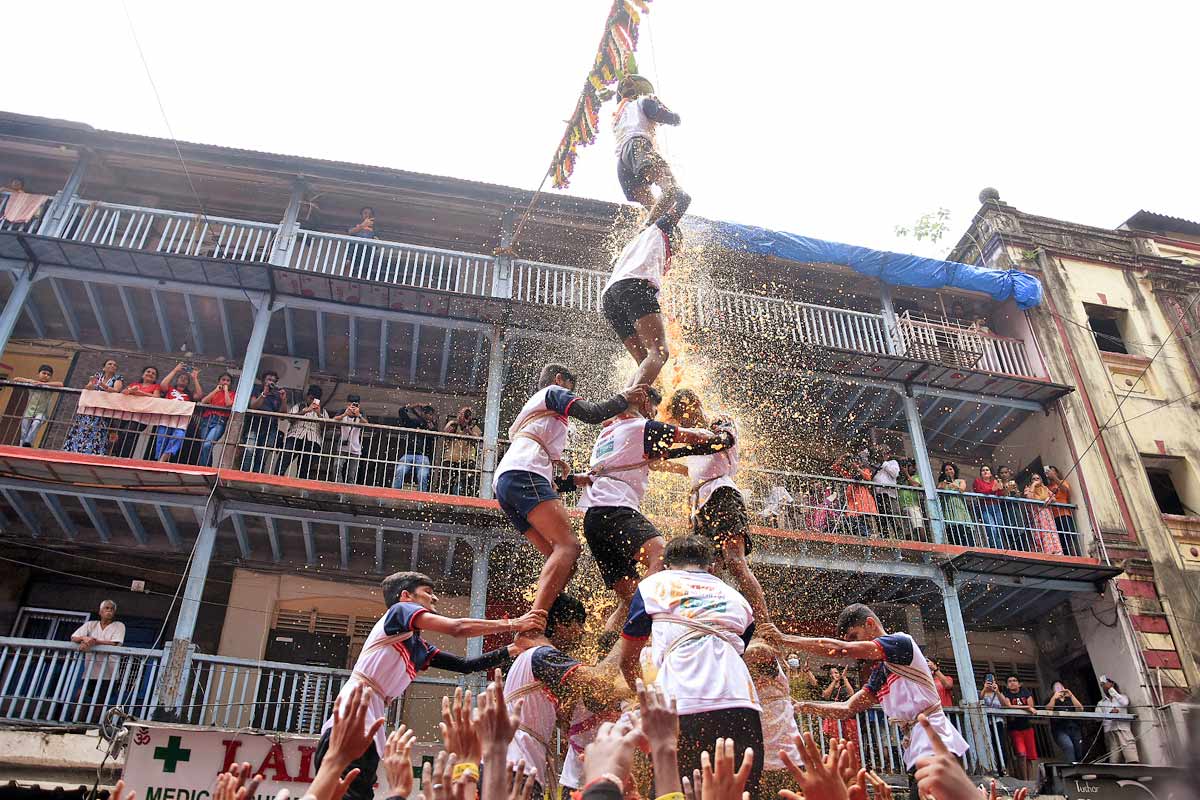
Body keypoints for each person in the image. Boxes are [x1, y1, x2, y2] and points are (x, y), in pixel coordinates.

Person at [313, 571, 545, 800]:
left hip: (369, 725)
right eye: (427, 593)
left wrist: (512, 649)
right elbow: (457, 628)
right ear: (406, 596)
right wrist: (515, 623)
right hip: (351, 720)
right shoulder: (398, 611)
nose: (434, 598)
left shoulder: (416, 645)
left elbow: (465, 665)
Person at [493, 364, 645, 630]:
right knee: (569, 547)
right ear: (559, 379)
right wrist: (624, 399)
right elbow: (592, 413)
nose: (571, 397)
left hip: (509, 480)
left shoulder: (536, 417)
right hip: (523, 473)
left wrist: (574, 479)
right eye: (571, 390)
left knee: (562, 558)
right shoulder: (553, 391)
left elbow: (546, 471)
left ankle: (544, 621)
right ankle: (534, 622)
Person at [616, 535, 763, 800]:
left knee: (672, 791)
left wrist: (644, 699)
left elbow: (627, 660)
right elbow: (738, 649)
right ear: (712, 567)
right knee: (740, 794)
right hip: (742, 707)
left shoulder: (652, 586)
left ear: (666, 566)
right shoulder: (739, 599)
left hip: (682, 708)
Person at [578, 385, 729, 631]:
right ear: (645, 402)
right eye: (655, 409)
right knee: (661, 555)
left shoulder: (608, 432)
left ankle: (608, 653)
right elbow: (698, 438)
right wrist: (721, 434)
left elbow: (654, 462)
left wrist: (683, 469)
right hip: (616, 509)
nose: (655, 414)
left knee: (628, 600)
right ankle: (642, 631)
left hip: (593, 520)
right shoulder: (644, 427)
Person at [784, 603, 969, 794]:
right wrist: (804, 706)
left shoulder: (901, 642)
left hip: (935, 741)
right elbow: (847, 708)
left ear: (870, 624)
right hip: (916, 746)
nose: (853, 644)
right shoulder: (880, 672)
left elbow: (841, 649)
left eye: (854, 637)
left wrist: (785, 639)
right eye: (850, 640)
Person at [660, 389, 774, 630]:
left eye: (685, 412)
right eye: (679, 417)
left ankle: (766, 626)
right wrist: (662, 464)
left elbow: (721, 442)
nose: (684, 420)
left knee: (735, 561)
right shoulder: (694, 440)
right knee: (707, 568)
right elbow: (694, 470)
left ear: (697, 403)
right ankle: (712, 623)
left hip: (723, 495)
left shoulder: (718, 421)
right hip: (700, 507)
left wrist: (673, 451)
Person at [503, 595, 628, 798]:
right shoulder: (544, 656)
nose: (581, 632)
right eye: (578, 624)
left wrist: (626, 605)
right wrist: (629, 638)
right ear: (561, 624)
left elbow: (607, 641)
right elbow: (599, 682)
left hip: (517, 764)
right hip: (518, 767)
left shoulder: (533, 657)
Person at [601, 200, 689, 391]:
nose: (674, 254)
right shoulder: (660, 229)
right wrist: (666, 178)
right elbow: (684, 199)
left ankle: (621, 410)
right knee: (660, 352)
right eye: (676, 249)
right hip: (634, 287)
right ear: (673, 237)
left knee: (644, 361)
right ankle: (630, 407)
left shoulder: (636, 244)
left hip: (610, 297)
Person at [611, 73, 688, 222]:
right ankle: (651, 227)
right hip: (639, 147)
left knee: (655, 208)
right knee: (673, 190)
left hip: (623, 163)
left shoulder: (618, 115)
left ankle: (648, 229)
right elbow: (669, 118)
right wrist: (668, 111)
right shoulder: (643, 101)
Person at [744, 640, 804, 799]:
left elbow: (760, 650)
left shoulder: (778, 679)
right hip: (761, 766)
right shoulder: (745, 687)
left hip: (793, 761)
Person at [70, 600, 126, 722]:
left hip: (109, 673)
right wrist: (85, 638)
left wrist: (93, 641)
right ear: (100, 611)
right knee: (80, 697)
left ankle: (92, 725)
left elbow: (115, 643)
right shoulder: (91, 625)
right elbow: (74, 637)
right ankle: (76, 723)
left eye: (112, 609)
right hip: (90, 672)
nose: (109, 611)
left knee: (100, 702)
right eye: (106, 608)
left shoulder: (119, 625)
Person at [63, 359, 125, 455]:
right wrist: (91, 383)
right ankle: (74, 450)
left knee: (98, 430)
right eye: (110, 364)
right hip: (90, 408)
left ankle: (93, 451)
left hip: (104, 410)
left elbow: (116, 390)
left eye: (115, 365)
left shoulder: (118, 378)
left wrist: (103, 385)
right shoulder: (98, 376)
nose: (112, 366)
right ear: (104, 367)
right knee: (83, 428)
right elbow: (88, 387)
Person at [152, 364, 202, 463]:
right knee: (162, 438)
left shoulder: (189, 394)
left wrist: (195, 378)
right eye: (181, 378)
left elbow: (199, 395)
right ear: (177, 380)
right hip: (167, 418)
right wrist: (175, 370)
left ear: (188, 383)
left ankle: (163, 459)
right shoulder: (170, 389)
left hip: (181, 421)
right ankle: (159, 459)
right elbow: (163, 385)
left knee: (178, 436)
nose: (183, 379)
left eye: (186, 379)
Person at [277, 385, 329, 480]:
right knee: (283, 462)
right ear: (307, 396)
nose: (312, 401)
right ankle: (275, 481)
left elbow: (325, 427)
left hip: (313, 440)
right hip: (295, 436)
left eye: (315, 399)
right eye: (311, 398)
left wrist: (318, 414)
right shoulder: (299, 406)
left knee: (305, 469)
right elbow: (290, 419)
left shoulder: (323, 411)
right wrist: (304, 412)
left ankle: (299, 489)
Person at [243, 370, 287, 472]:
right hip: (253, 426)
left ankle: (256, 478)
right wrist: (264, 393)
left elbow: (283, 415)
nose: (271, 382)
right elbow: (253, 406)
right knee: (249, 452)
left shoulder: (277, 395)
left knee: (262, 456)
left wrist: (284, 400)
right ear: (263, 381)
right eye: (269, 379)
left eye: (273, 381)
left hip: (270, 430)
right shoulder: (256, 390)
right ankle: (244, 475)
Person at [13, 364, 63, 447]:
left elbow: (60, 384)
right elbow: (16, 379)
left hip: (42, 413)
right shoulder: (33, 384)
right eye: (44, 373)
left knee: (36, 422)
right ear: (38, 374)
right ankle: (22, 448)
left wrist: (42, 384)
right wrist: (31, 381)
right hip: (29, 412)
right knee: (24, 431)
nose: (46, 376)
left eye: (48, 375)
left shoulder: (50, 387)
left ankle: (28, 443)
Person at [392, 403, 438, 492]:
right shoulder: (414, 423)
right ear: (424, 414)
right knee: (400, 471)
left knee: (423, 476)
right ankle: (395, 493)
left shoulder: (431, 426)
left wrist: (430, 425)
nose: (431, 416)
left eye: (432, 414)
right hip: (409, 453)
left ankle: (421, 496)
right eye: (429, 414)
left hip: (423, 456)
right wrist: (411, 406)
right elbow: (401, 412)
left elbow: (434, 434)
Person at [999, 674, 1038, 780]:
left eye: (1015, 680)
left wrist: (1029, 708)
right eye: (1009, 681)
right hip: (1014, 728)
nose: (1012, 682)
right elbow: (1009, 706)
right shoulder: (1005, 693)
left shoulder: (1025, 692)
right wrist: (1027, 707)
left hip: (1027, 727)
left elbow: (1032, 706)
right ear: (1007, 685)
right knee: (1021, 754)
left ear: (1019, 683)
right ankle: (1024, 781)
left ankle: (1030, 782)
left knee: (1029, 757)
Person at [831, 452, 878, 538]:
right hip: (852, 500)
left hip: (863, 499)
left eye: (857, 461)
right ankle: (863, 534)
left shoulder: (864, 470)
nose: (854, 463)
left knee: (865, 517)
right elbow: (834, 467)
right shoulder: (849, 474)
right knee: (853, 518)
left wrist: (858, 469)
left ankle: (870, 534)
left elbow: (867, 477)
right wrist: (843, 456)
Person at [819, 665, 860, 764]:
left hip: (847, 719)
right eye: (831, 673)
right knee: (835, 741)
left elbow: (851, 694)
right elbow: (825, 695)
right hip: (833, 719)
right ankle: (837, 763)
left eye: (836, 673)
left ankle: (853, 764)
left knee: (851, 742)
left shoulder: (845, 684)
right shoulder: (827, 685)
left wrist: (844, 678)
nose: (834, 675)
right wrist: (834, 681)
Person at [1097, 675, 1138, 763]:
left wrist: (1112, 690)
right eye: (1102, 685)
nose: (1104, 687)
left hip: (1123, 729)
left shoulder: (1122, 697)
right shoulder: (1101, 703)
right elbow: (1097, 718)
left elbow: (1125, 703)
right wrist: (1110, 714)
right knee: (1114, 760)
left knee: (1131, 756)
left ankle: (1135, 772)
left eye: (1105, 684)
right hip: (1110, 732)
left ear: (1112, 684)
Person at [196, 372, 234, 467]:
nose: (225, 382)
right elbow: (204, 401)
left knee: (207, 445)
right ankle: (205, 467)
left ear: (230, 383)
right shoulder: (215, 392)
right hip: (207, 420)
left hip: (219, 421)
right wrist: (216, 390)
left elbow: (229, 403)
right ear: (219, 381)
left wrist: (225, 391)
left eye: (228, 380)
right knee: (204, 446)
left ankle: (204, 468)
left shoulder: (232, 394)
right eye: (223, 380)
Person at [442, 406, 482, 496]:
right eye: (461, 414)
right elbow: (444, 434)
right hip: (451, 458)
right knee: (446, 482)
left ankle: (468, 499)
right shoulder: (452, 423)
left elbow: (478, 439)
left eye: (465, 415)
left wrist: (468, 431)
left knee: (468, 483)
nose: (462, 417)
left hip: (467, 459)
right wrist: (452, 429)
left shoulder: (474, 427)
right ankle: (445, 497)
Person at [332, 395, 368, 485]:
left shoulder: (361, 413)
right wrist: (345, 414)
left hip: (355, 448)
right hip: (343, 446)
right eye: (351, 404)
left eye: (355, 404)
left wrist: (358, 415)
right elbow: (334, 419)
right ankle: (338, 485)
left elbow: (366, 423)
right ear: (347, 404)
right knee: (337, 466)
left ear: (359, 405)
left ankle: (349, 488)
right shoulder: (343, 411)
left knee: (352, 472)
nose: (353, 407)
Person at [1024, 473, 1063, 555]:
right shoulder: (1028, 489)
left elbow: (1054, 498)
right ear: (1031, 481)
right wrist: (1033, 486)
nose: (1036, 480)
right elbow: (1029, 497)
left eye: (1037, 478)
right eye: (1033, 479)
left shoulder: (1045, 488)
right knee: (1040, 532)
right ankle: (1046, 551)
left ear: (1041, 480)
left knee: (1051, 531)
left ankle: (1056, 550)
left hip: (1046, 514)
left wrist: (1049, 499)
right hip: (1036, 514)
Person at [1046, 680, 1085, 762]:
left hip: (1074, 728)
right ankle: (1071, 771)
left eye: (1060, 686)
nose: (1059, 688)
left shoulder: (1070, 699)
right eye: (1056, 687)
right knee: (1068, 746)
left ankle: (1080, 771)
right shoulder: (1050, 700)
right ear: (1053, 690)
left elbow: (1080, 709)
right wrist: (1054, 697)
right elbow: (1048, 710)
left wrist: (1071, 695)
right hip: (1059, 729)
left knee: (1079, 750)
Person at [1045, 466, 1080, 556]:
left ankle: (1075, 556)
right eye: (1049, 472)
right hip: (1052, 517)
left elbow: (1066, 491)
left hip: (1064, 514)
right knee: (1060, 540)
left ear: (1057, 473)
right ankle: (1066, 556)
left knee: (1069, 536)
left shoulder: (1062, 482)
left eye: (1053, 472)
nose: (1051, 474)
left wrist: (1055, 479)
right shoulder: (1047, 487)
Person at [938, 462, 973, 546]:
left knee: (965, 536)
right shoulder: (942, 483)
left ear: (954, 470)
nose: (949, 471)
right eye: (946, 470)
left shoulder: (960, 481)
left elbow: (962, 489)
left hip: (959, 509)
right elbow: (939, 490)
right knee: (954, 537)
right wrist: (944, 482)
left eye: (950, 469)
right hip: (949, 510)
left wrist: (954, 485)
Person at [972, 465, 1007, 549]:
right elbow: (979, 492)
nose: (985, 471)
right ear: (981, 473)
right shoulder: (978, 481)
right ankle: (994, 548)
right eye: (983, 470)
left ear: (990, 473)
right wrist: (992, 490)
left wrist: (1002, 488)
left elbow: (999, 494)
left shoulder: (994, 482)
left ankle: (1001, 548)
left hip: (996, 507)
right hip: (985, 507)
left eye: (987, 470)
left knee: (999, 529)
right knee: (992, 529)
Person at [872, 445, 901, 537]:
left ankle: (899, 536)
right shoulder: (876, 466)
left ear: (888, 454)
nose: (881, 456)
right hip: (878, 495)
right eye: (879, 454)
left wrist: (884, 463)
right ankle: (885, 535)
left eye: (883, 453)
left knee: (892, 516)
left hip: (889, 495)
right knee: (881, 517)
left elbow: (895, 473)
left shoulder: (893, 462)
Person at [898, 460, 926, 540]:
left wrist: (906, 474)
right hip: (903, 507)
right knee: (907, 530)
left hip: (913, 506)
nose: (906, 468)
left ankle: (923, 544)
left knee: (918, 525)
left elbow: (915, 485)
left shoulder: (916, 477)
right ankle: (910, 547)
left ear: (913, 468)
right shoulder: (902, 480)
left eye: (908, 466)